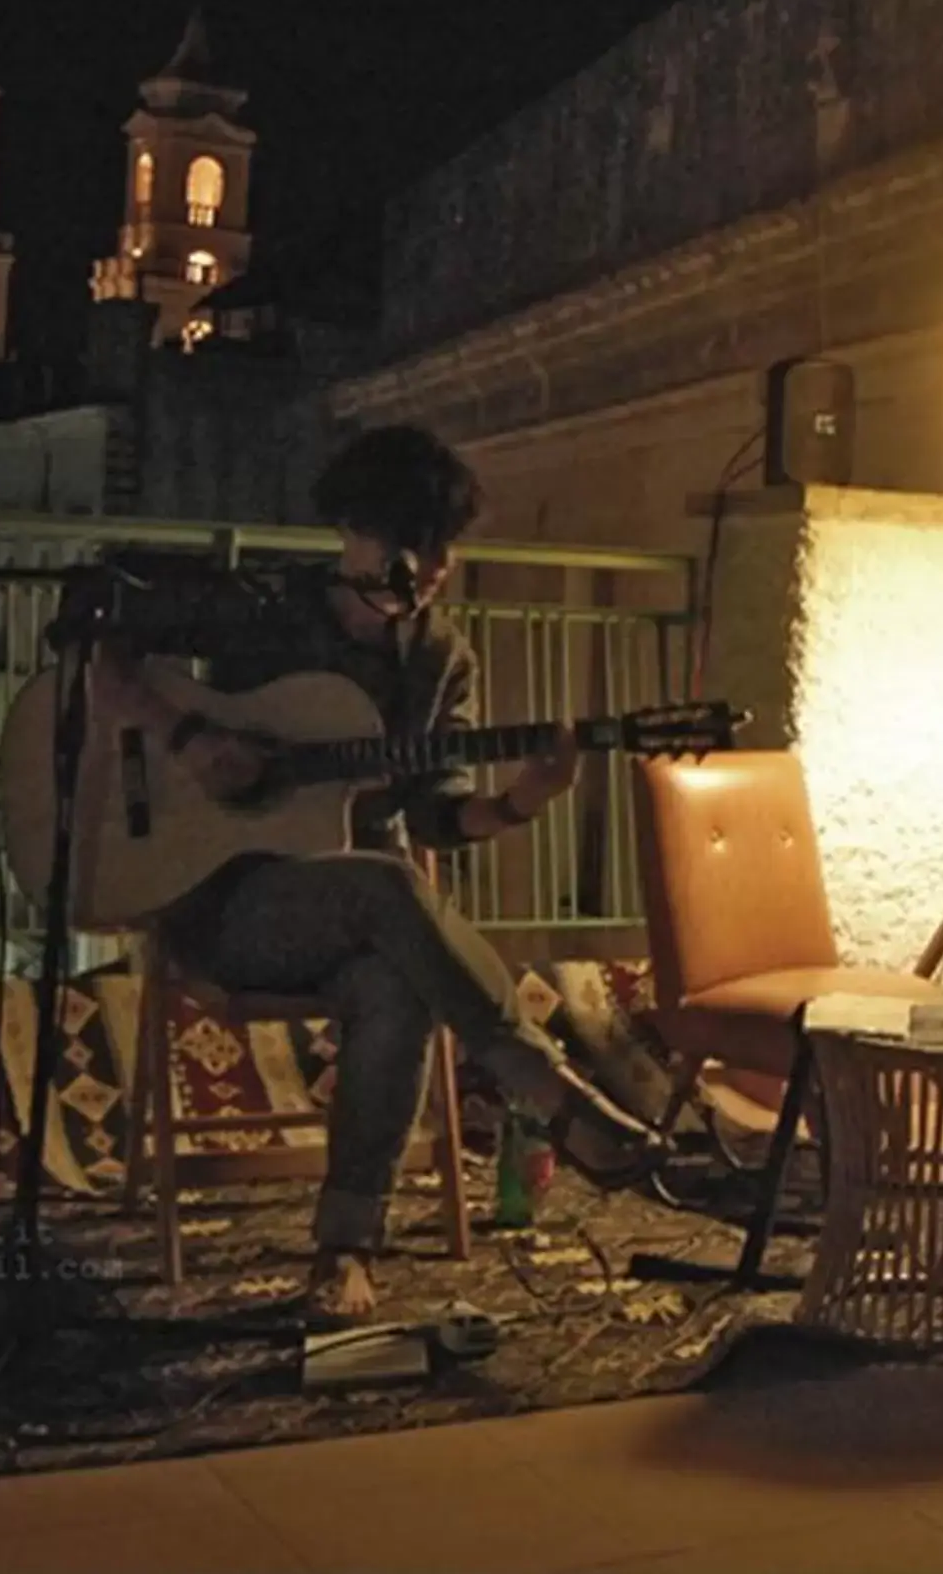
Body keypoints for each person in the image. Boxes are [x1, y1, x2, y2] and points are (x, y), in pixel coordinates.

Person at [90, 425, 659, 1320]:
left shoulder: (441, 659)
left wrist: (524, 801)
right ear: (352, 532)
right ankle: (547, 1088)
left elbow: (438, 815)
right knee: (393, 887)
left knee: (394, 978)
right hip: (227, 905)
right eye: (408, 541)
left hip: (352, 916)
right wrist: (189, 739)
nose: (428, 567)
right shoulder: (267, 611)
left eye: (442, 547)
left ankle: (345, 1252)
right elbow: (105, 648)